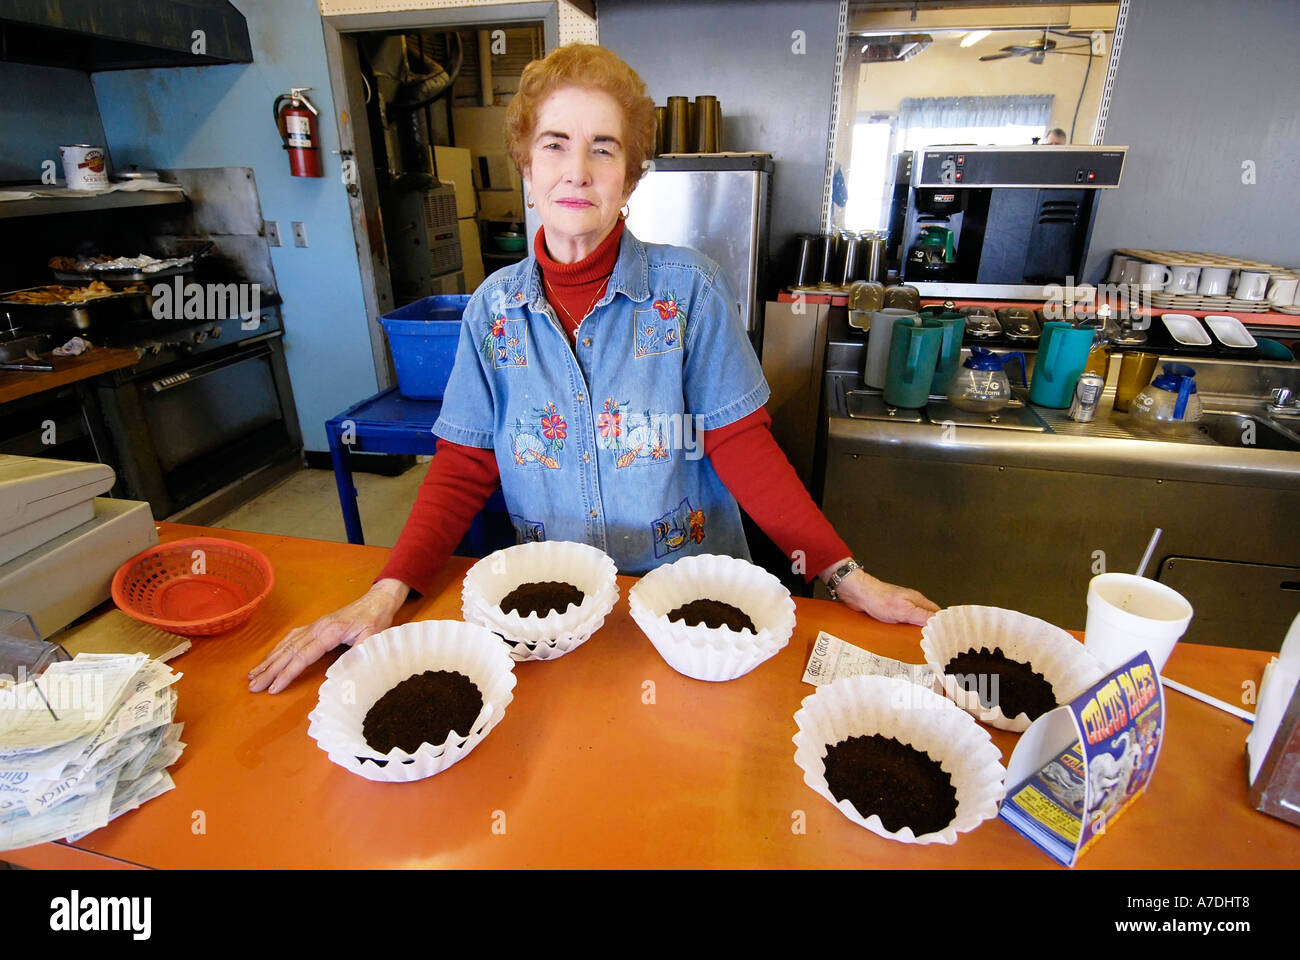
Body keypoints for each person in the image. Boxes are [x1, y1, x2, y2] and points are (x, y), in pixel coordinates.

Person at [249, 44, 938, 695]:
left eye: (602, 148)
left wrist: (845, 575)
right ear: (526, 162)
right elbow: (462, 467)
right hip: (556, 623)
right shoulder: (493, 311)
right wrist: (385, 591)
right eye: (555, 144)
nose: (577, 169)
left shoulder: (689, 292)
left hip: (692, 614)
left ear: (631, 175)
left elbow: (741, 444)